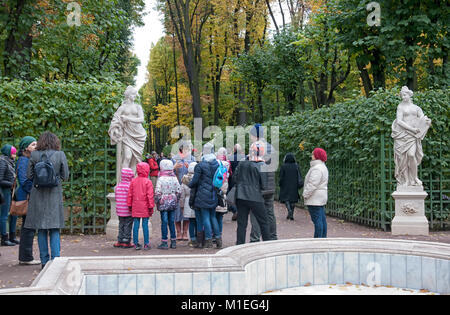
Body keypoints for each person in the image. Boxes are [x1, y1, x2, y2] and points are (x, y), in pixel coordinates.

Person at [24, 132, 69, 269]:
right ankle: (56, 261)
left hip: (38, 195)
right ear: (55, 142)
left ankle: (44, 262)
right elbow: (65, 176)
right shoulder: (60, 154)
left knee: (41, 229)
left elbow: (29, 175)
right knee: (54, 228)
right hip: (54, 195)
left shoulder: (34, 155)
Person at [391, 86, 432, 187]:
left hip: (412, 136)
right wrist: (411, 129)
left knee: (411, 155)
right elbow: (399, 121)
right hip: (402, 135)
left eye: (405, 95)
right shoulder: (400, 107)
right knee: (402, 159)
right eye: (402, 95)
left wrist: (427, 122)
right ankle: (406, 180)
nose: (403, 97)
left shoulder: (417, 108)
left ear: (409, 95)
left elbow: (423, 119)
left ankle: (414, 177)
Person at [234, 141, 273, 245]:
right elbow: (264, 185)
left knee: (241, 223)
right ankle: (268, 243)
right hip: (255, 197)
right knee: (263, 221)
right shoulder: (261, 165)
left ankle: (239, 244)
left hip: (241, 196)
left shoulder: (242, 163)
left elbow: (235, 177)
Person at [248, 124, 278, 242]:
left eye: (251, 135)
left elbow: (252, 167)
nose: (250, 138)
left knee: (255, 213)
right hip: (269, 185)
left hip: (257, 186)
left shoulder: (255, 147)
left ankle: (255, 239)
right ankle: (272, 237)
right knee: (270, 212)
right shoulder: (271, 147)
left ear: (255, 136)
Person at [188, 143, 220, 248]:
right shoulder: (217, 164)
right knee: (213, 217)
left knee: (205, 217)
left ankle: (208, 241)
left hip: (202, 195)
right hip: (213, 194)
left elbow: (194, 181)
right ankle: (219, 239)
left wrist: (189, 183)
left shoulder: (200, 165)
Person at [16, 136, 41, 264]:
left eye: (36, 144)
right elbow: (24, 180)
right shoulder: (23, 160)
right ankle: (26, 257)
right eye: (33, 144)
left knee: (29, 226)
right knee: (28, 227)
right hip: (27, 197)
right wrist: (34, 192)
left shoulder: (28, 159)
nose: (36, 146)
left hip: (29, 196)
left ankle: (25, 257)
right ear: (26, 148)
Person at [155, 159, 181, 250]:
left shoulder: (161, 178)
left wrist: (158, 201)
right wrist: (175, 199)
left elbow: (157, 191)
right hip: (172, 201)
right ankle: (173, 241)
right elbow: (179, 190)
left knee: (164, 222)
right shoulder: (174, 177)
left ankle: (164, 242)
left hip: (163, 202)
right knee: (171, 221)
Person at [127, 162, 154, 250]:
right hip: (145, 206)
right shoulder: (148, 182)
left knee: (136, 224)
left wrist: (129, 205)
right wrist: (151, 206)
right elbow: (150, 195)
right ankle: (146, 243)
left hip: (135, 205)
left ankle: (135, 243)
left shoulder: (133, 181)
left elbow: (130, 194)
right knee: (145, 224)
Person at [303, 148, 329, 238]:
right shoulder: (322, 167)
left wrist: (305, 194)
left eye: (313, 154)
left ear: (317, 156)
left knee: (317, 220)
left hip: (315, 198)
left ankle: (318, 241)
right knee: (321, 219)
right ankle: (323, 238)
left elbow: (312, 184)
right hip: (320, 197)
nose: (311, 156)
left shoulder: (316, 169)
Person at [172, 141, 196, 241]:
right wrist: (174, 168)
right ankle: (178, 232)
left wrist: (189, 168)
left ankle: (185, 232)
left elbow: (196, 171)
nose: (187, 151)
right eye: (185, 149)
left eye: (188, 149)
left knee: (187, 209)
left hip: (188, 187)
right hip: (176, 187)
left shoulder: (192, 159)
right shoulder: (174, 159)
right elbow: (167, 172)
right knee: (177, 210)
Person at [0, 144, 17, 246]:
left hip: (11, 191)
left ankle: (12, 236)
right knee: (4, 215)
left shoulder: (9, 161)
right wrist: (11, 184)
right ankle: (4, 238)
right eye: (13, 153)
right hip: (5, 191)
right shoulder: (2, 161)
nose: (14, 155)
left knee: (13, 214)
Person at [279, 153, 304, 220]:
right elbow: (299, 175)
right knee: (293, 200)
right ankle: (291, 214)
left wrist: (280, 183)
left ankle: (289, 210)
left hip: (285, 184)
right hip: (294, 185)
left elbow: (281, 177)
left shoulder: (283, 166)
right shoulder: (296, 166)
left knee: (286, 198)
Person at [114, 168, 135, 249]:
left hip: (120, 210)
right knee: (128, 225)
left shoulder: (118, 186)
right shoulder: (130, 186)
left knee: (121, 224)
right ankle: (126, 241)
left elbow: (116, 197)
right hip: (128, 210)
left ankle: (119, 240)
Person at [214, 147, 230, 249]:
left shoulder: (217, 166)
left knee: (214, 216)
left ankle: (215, 235)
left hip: (216, 195)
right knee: (220, 217)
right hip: (223, 195)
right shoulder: (227, 166)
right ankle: (219, 234)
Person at [180, 162, 198, 247]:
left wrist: (182, 205)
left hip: (188, 202)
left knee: (191, 222)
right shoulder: (199, 178)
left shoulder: (184, 180)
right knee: (198, 221)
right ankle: (198, 238)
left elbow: (182, 195)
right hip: (197, 201)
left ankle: (192, 239)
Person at [227, 144, 245, 221]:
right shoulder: (244, 158)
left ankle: (235, 210)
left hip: (232, 179)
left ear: (234, 150)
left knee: (230, 195)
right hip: (242, 179)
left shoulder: (230, 158)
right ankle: (241, 212)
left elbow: (228, 169)